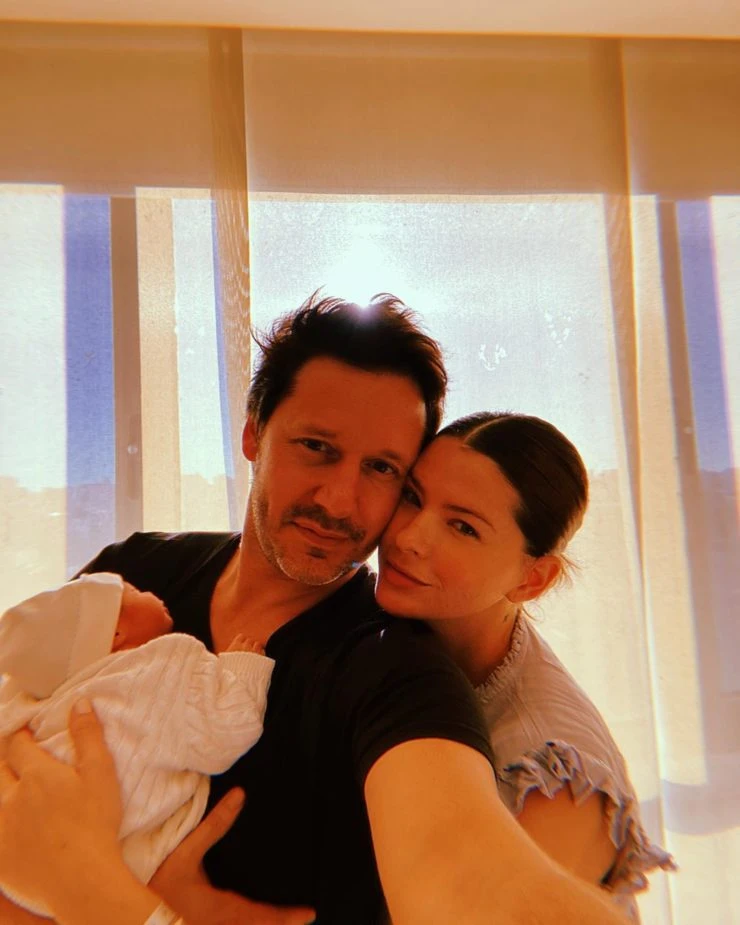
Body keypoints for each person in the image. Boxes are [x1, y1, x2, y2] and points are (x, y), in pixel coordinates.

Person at [0, 292, 634, 925]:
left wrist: (90, 887)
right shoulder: (136, 571)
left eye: (382, 468)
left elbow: (464, 871)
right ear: (254, 432)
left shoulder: (401, 676)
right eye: (317, 447)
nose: (338, 500)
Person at [375, 411, 676, 921]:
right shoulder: (401, 636)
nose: (408, 538)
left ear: (532, 580)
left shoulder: (555, 783)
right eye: (412, 497)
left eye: (462, 527)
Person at [0, 572, 274, 918]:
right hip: (129, 867)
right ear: (115, 633)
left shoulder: (35, 701)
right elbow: (230, 727)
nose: (149, 590)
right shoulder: (165, 664)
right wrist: (242, 668)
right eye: (133, 591)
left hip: (22, 874)